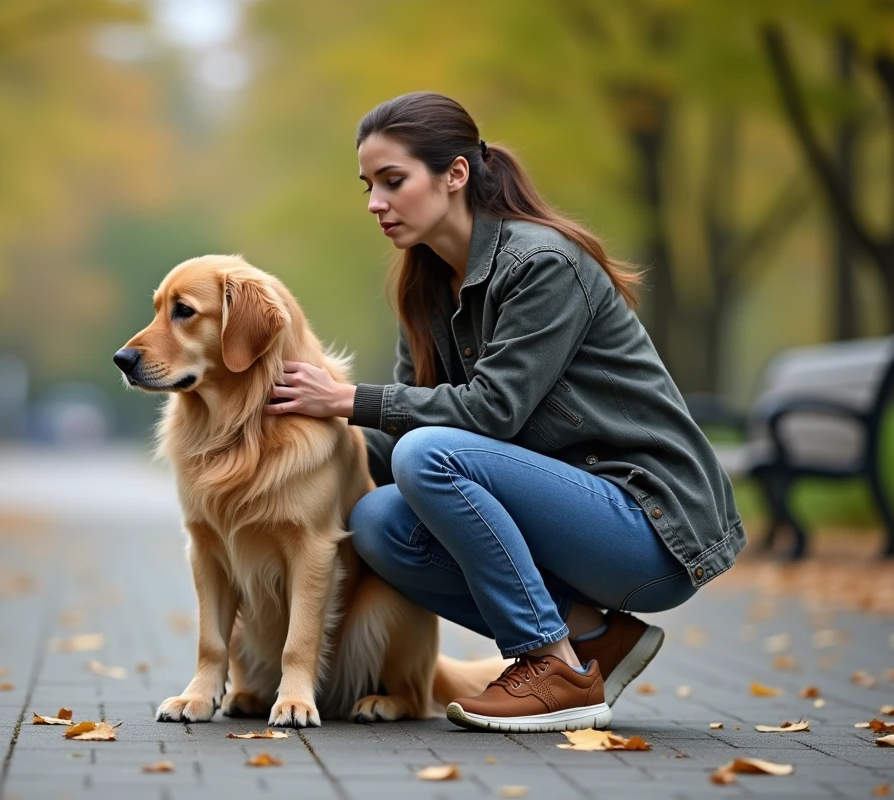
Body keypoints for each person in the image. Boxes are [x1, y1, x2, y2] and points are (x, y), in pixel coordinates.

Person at [263, 91, 744, 733]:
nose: (376, 203)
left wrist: (348, 400)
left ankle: (551, 666)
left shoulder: (541, 263)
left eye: (393, 181)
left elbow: (492, 413)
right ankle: (595, 638)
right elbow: (389, 443)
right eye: (368, 186)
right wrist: (285, 449)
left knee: (427, 454)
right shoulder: (426, 286)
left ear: (454, 175)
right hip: (570, 525)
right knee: (377, 520)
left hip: (648, 526)